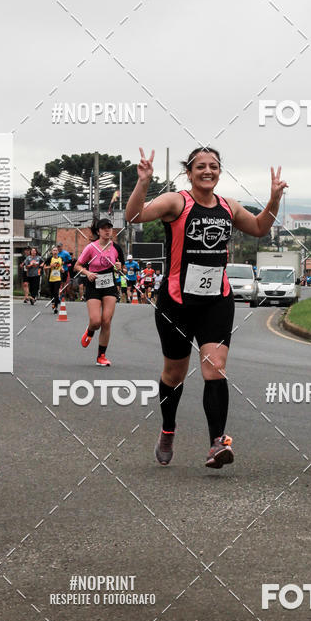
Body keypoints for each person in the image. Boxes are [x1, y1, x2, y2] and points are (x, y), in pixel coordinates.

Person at [126, 147, 287, 469]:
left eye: (213, 166)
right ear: (189, 172)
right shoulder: (177, 202)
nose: (207, 171)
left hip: (216, 299)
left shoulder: (228, 206)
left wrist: (274, 199)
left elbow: (259, 228)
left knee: (215, 366)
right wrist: (143, 181)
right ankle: (168, 429)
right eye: (200, 166)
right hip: (177, 302)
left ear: (219, 171)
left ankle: (217, 443)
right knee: (174, 374)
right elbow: (133, 216)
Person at [75, 219, 124, 366]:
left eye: (109, 228)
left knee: (106, 321)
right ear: (98, 231)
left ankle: (101, 356)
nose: (107, 231)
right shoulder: (91, 248)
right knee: (96, 321)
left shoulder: (116, 248)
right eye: (104, 228)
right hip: (93, 284)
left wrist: (120, 267)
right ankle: (90, 330)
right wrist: (87, 273)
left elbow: (123, 270)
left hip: (109, 284)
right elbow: (77, 266)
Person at [44, 247, 63, 313]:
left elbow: (60, 267)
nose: (55, 251)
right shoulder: (49, 259)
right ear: (52, 252)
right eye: (54, 250)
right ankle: (53, 302)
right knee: (52, 292)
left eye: (56, 250)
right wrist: (50, 266)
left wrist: (62, 270)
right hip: (51, 278)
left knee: (56, 292)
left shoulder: (60, 258)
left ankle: (56, 307)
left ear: (58, 252)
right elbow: (45, 267)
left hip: (58, 278)